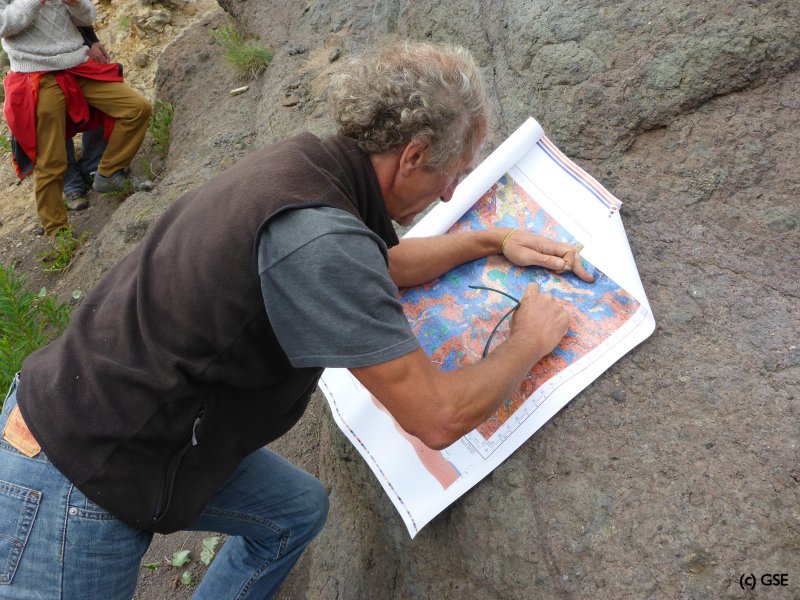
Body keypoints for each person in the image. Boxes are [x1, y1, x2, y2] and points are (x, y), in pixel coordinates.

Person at [0, 41, 594, 599]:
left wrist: (493, 240)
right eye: (451, 176)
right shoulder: (317, 239)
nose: (448, 197)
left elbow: (378, 265)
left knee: (293, 513)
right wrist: (527, 342)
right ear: (412, 155)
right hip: (79, 470)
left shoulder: (309, 167)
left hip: (125, 419)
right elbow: (435, 418)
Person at [0, 0, 150, 237]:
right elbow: (3, 25)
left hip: (78, 64)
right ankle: (57, 232)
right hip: (36, 74)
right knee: (51, 160)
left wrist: (76, 3)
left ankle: (108, 173)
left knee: (136, 108)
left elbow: (87, 16)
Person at [63, 26, 111, 211]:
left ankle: (92, 164)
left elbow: (73, 8)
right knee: (54, 118)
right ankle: (71, 183)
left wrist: (90, 40)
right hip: (31, 58)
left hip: (73, 46)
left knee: (95, 99)